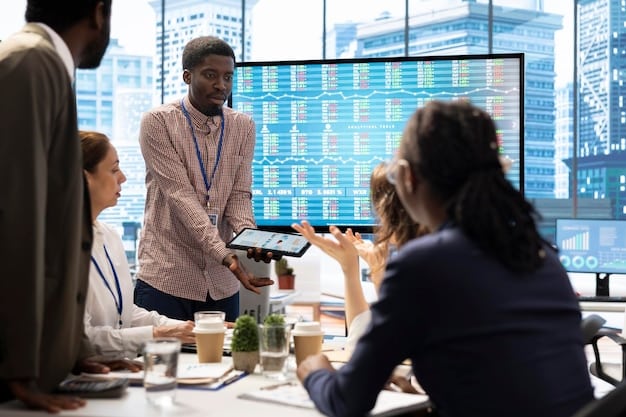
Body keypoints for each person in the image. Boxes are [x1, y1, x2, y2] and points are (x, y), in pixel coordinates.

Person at [296, 100, 594, 417]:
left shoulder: (423, 263)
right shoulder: (540, 253)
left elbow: (346, 402)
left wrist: (314, 370)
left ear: (408, 177)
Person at [0, 0, 124, 412]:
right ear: (97, 12)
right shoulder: (30, 63)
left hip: (38, 370)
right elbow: (16, 216)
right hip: (16, 377)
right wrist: (18, 367)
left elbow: (54, 225)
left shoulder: (45, 65)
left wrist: (71, 350)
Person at [135, 36, 273, 323]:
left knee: (224, 366)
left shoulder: (243, 127)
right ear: (187, 76)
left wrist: (250, 236)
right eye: (211, 75)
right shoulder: (158, 122)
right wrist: (224, 254)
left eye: (227, 77)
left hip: (222, 284)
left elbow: (239, 195)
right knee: (162, 366)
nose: (221, 85)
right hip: (167, 278)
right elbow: (180, 196)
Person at [80, 130, 196, 360]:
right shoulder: (58, 248)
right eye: (113, 170)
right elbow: (82, 339)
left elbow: (126, 314)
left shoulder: (110, 236)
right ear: (84, 178)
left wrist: (192, 329)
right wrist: (156, 334)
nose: (122, 177)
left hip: (116, 368)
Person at [294, 162, 427, 351]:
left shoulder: (422, 270)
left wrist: (314, 372)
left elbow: (368, 349)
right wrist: (360, 267)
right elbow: (371, 334)